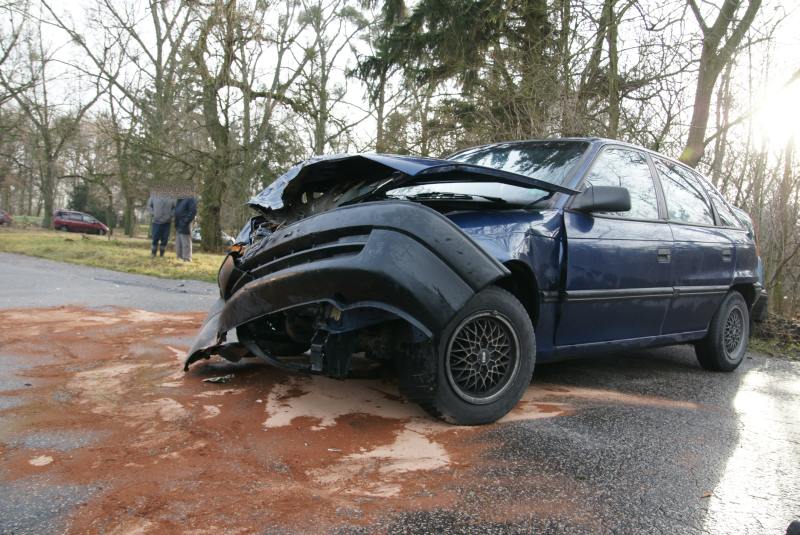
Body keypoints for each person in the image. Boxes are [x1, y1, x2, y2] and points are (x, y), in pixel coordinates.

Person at [147, 192, 176, 257]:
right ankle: (153, 253)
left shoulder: (172, 197)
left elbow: (175, 208)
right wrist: (153, 214)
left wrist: (170, 215)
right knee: (155, 238)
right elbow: (149, 206)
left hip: (167, 222)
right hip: (156, 222)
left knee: (165, 239)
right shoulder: (153, 196)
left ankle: (162, 253)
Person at [174, 196, 197, 262]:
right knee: (179, 241)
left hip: (185, 223)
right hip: (178, 222)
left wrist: (186, 220)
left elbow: (193, 211)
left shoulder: (191, 198)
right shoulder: (180, 199)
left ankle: (187, 258)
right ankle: (179, 257)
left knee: (185, 241)